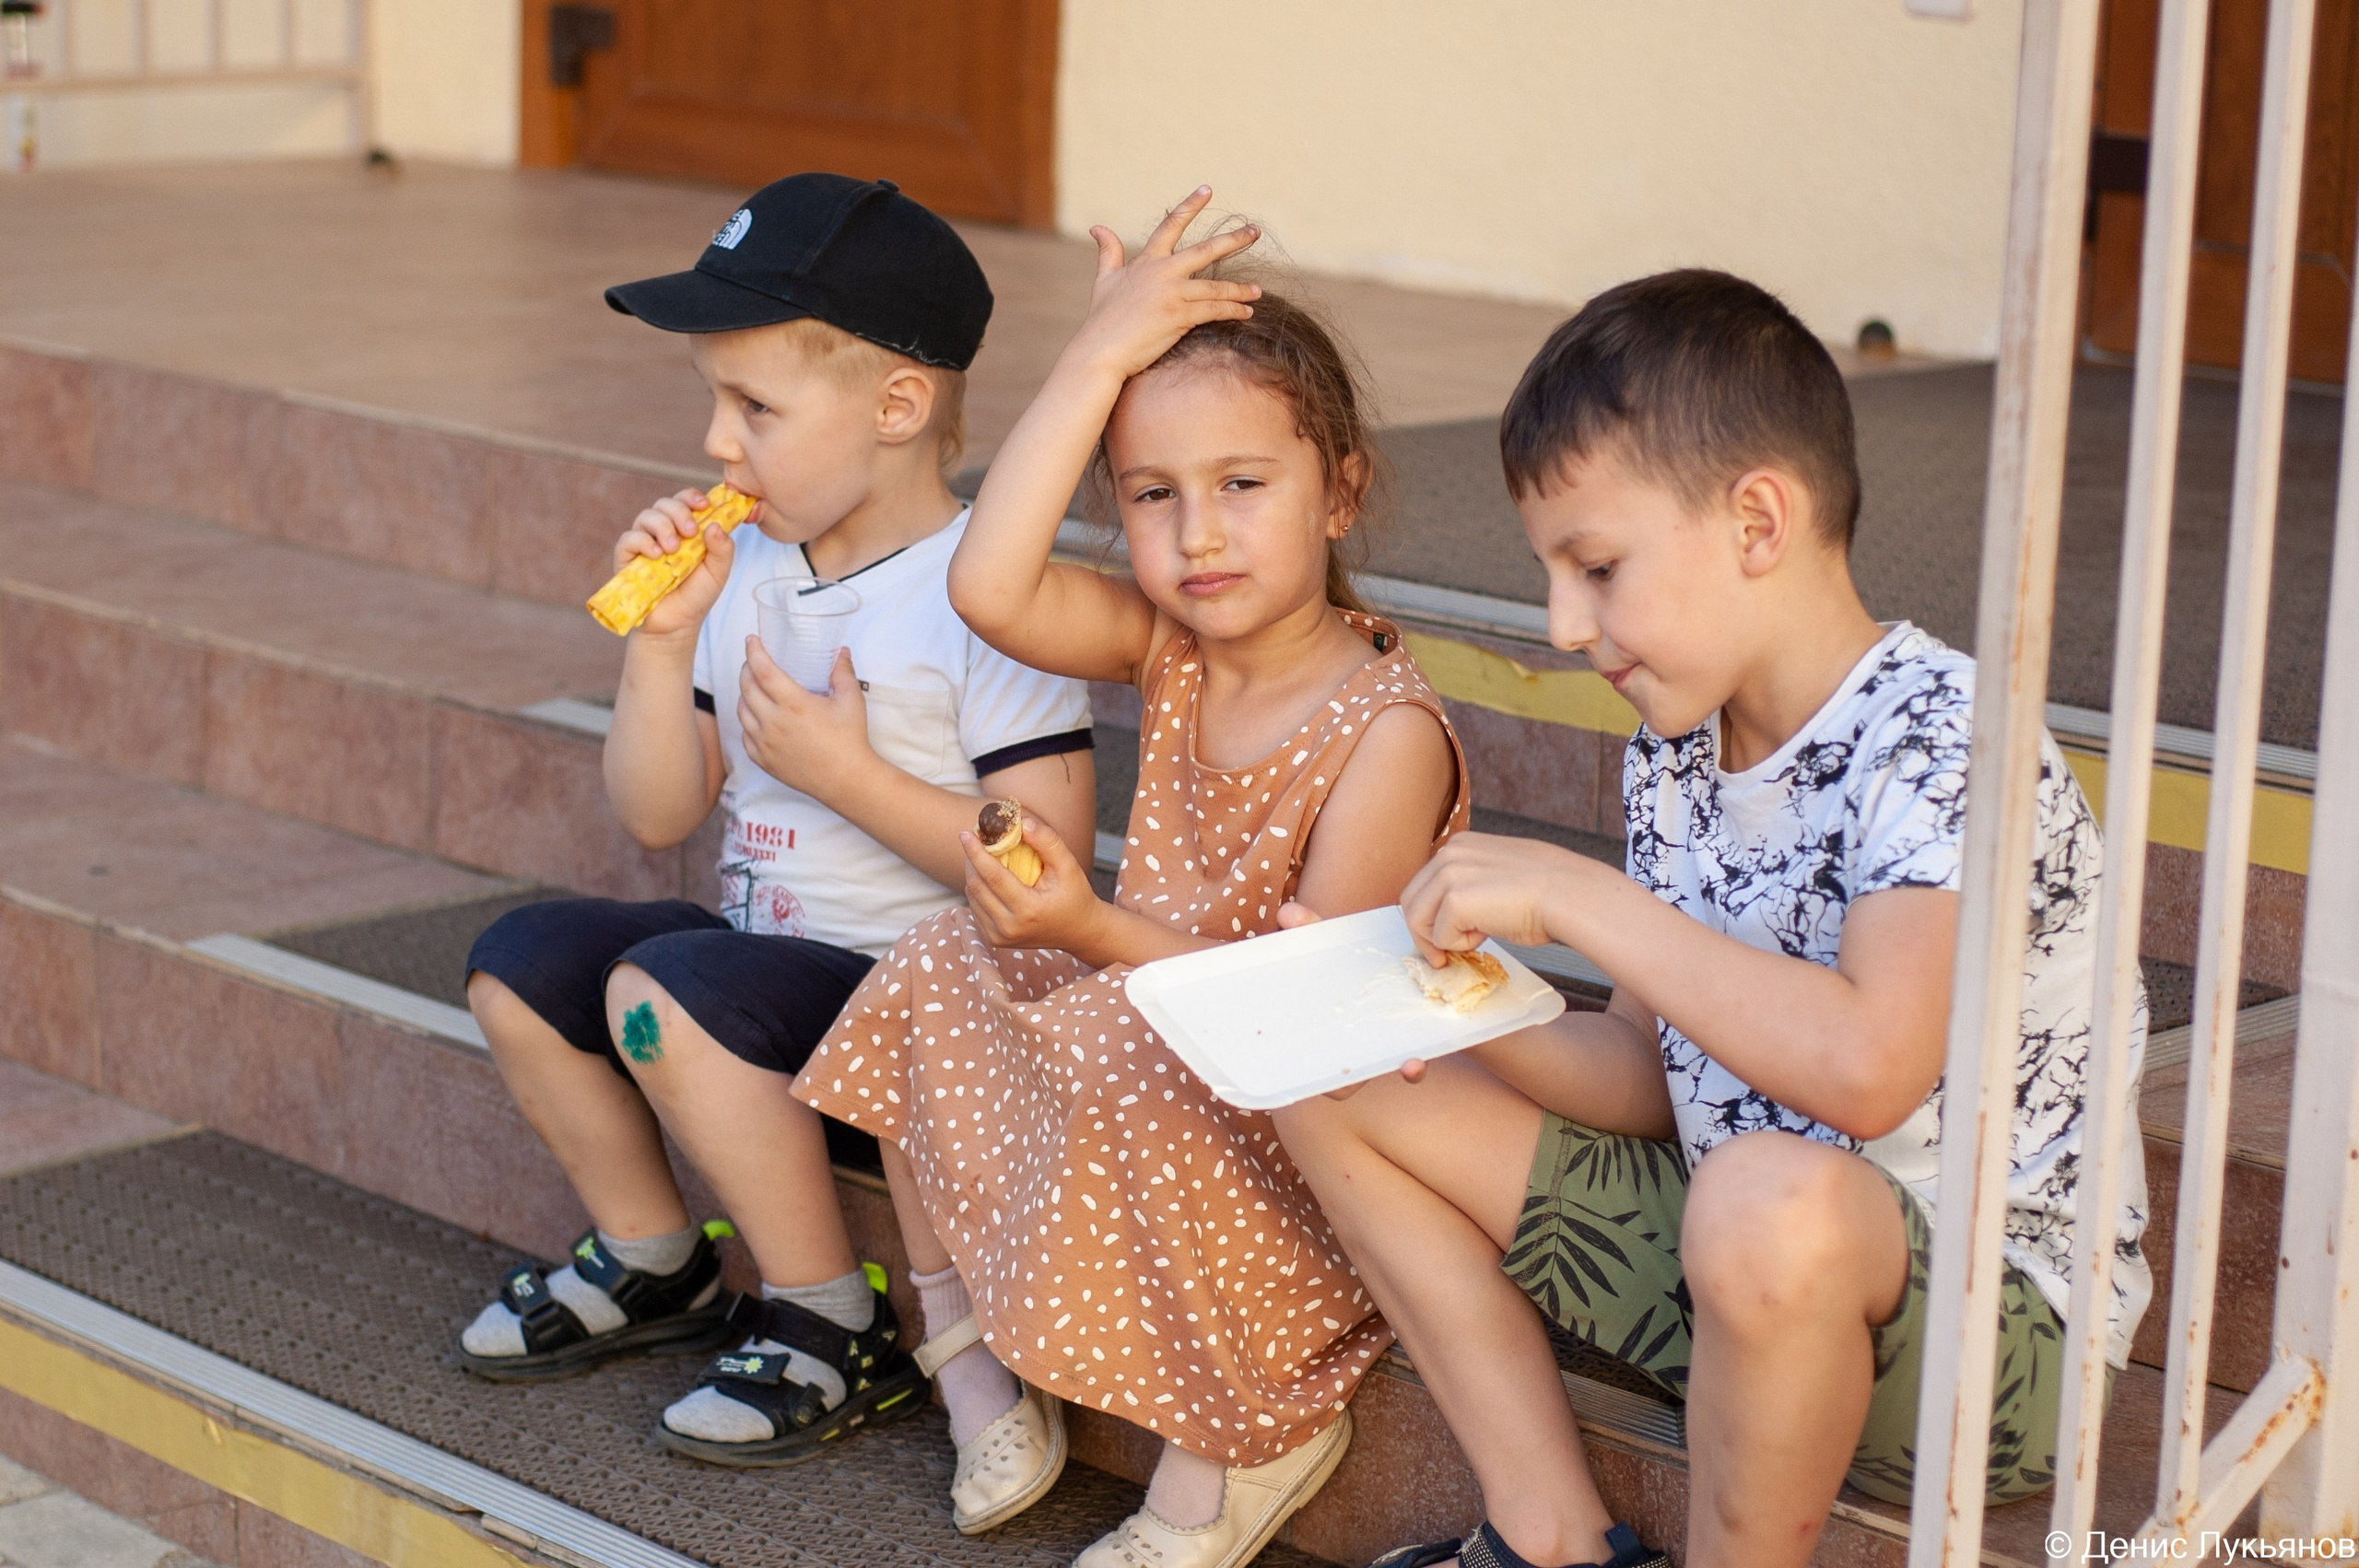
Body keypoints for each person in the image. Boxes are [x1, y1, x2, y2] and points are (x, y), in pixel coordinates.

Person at [1275, 270, 2151, 1568]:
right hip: (1725, 1257)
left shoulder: (1941, 736)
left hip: (1979, 1349)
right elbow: (1646, 1076)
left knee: (1760, 1200)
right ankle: (1555, 1534)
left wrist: (1586, 896)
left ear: (1756, 520)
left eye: (1598, 567)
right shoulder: (1678, 752)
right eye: (1552, 574)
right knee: (1327, 1077)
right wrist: (1463, 998)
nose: (1564, 623)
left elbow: (1865, 1071)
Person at [792, 187, 1466, 1567]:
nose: (1199, 536)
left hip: (1297, 1133)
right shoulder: (1174, 649)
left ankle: (1235, 1446)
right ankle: (965, 1342)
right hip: (1146, 1031)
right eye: (1155, 496)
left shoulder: (1384, 732)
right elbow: (988, 581)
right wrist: (1095, 357)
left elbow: (1308, 1012)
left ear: (1339, 489)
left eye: (1242, 485)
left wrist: (1086, 919)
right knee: (927, 961)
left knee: (1118, 1045)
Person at [453, 173, 1097, 1469]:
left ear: (899, 408)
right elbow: (655, 811)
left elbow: (1047, 876)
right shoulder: (744, 570)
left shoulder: (989, 597)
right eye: (712, 400)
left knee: (666, 987)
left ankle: (830, 1318)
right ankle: (655, 1261)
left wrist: (846, 775)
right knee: (521, 964)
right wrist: (663, 642)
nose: (714, 442)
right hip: (750, 994)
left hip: (924, 1015)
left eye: (754, 406)